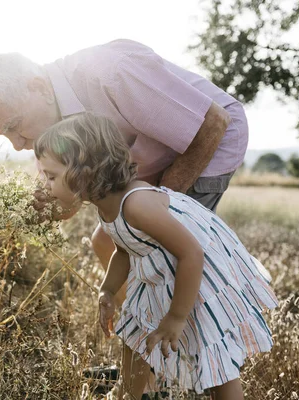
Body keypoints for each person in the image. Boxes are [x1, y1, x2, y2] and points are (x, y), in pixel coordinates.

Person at [0, 39, 249, 303]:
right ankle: (138, 324)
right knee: (104, 241)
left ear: (40, 87)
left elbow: (214, 122)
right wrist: (33, 208)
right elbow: (67, 205)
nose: (17, 145)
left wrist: (155, 207)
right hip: (148, 156)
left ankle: (182, 329)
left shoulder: (109, 73)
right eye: (3, 136)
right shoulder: (46, 127)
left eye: (13, 126)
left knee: (159, 252)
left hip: (206, 141)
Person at [34, 113, 278, 400]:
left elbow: (191, 253)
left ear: (83, 172)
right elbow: (125, 249)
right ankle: (128, 393)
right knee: (135, 336)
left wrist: (176, 317)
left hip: (195, 276)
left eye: (51, 176)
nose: (46, 184)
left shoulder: (137, 204)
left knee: (211, 354)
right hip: (158, 274)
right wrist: (108, 290)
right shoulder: (105, 206)